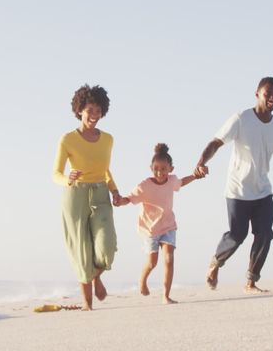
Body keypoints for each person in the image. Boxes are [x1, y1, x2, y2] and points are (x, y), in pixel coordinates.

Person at [195, 77, 273, 293]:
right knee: (237, 235)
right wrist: (201, 162)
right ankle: (215, 262)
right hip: (237, 191)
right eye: (268, 94)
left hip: (262, 192)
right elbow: (216, 142)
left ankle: (251, 281)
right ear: (257, 94)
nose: (272, 98)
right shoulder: (241, 119)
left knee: (264, 234)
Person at [53, 84, 124, 310]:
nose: (94, 115)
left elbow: (105, 169)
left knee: (107, 246)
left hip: (101, 192)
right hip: (75, 196)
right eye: (90, 110)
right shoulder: (67, 139)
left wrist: (114, 190)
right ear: (80, 109)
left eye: (98, 110)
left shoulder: (108, 139)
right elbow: (55, 174)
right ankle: (87, 305)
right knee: (81, 250)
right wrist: (68, 179)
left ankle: (95, 277)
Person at [117, 143, 202, 304]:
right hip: (150, 229)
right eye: (156, 168)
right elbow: (128, 199)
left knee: (169, 259)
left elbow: (182, 182)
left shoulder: (172, 181)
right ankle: (142, 280)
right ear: (151, 168)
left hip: (168, 226)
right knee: (152, 262)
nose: (160, 172)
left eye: (163, 169)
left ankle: (166, 296)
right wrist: (119, 201)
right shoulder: (145, 186)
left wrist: (195, 176)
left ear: (171, 169)